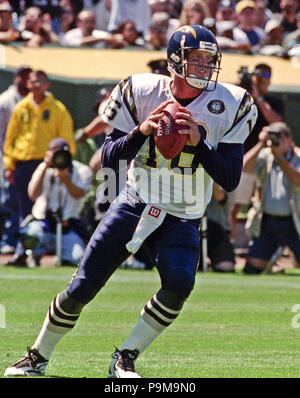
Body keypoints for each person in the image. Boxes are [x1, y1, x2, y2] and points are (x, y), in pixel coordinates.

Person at [4, 24, 257, 378]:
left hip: (183, 215)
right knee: (81, 287)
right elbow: (109, 158)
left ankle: (125, 358)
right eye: (195, 58)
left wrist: (199, 142)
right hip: (135, 202)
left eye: (208, 59)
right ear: (174, 60)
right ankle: (37, 357)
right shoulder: (141, 90)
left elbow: (229, 178)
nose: (203, 66)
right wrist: (141, 132)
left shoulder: (232, 102)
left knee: (180, 284)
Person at [3, 69, 76, 266]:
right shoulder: (21, 107)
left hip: (46, 164)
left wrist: (65, 161)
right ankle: (21, 251)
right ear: (28, 84)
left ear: (47, 84)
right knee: (21, 209)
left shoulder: (57, 109)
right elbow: (10, 138)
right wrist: (9, 164)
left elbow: (66, 137)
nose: (36, 85)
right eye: (33, 82)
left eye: (40, 82)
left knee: (41, 209)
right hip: (23, 163)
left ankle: (35, 252)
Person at [231, 63, 285, 239]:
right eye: (259, 76)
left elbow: (276, 121)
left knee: (264, 205)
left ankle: (258, 247)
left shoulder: (274, 101)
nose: (262, 80)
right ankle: (229, 244)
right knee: (234, 206)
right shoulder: (244, 99)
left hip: (266, 161)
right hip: (244, 160)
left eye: (266, 77)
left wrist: (259, 98)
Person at [20, 138, 93, 267]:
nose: (60, 158)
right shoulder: (44, 167)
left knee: (78, 258)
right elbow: (32, 194)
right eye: (56, 154)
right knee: (29, 237)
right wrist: (45, 166)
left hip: (68, 226)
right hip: (43, 224)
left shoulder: (82, 170)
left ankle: (64, 258)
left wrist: (65, 179)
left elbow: (79, 194)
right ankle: (33, 255)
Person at [242, 122, 300, 274]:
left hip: (295, 221)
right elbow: (244, 168)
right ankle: (273, 262)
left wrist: (280, 158)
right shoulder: (265, 154)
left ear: (288, 138)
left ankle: (277, 260)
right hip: (267, 221)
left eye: (278, 136)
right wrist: (260, 144)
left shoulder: (298, 156)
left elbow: (297, 180)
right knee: (252, 268)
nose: (274, 140)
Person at [0, 66, 32, 253]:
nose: (26, 80)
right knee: (11, 201)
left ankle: (24, 242)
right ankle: (9, 240)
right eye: (23, 76)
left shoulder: (36, 99)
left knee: (27, 201)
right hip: (8, 157)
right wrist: (7, 163)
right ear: (16, 78)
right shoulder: (5, 101)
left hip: (29, 158)